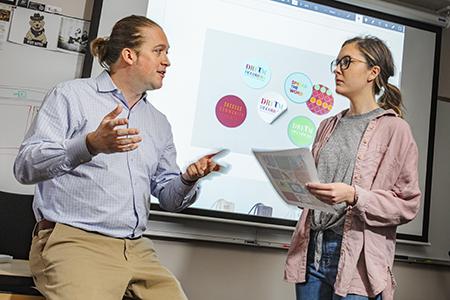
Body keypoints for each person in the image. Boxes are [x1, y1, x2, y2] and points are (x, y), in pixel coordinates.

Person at [14, 15, 220, 300]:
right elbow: (25, 167)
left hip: (136, 248)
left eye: (167, 53)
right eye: (159, 51)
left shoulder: (158, 122)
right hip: (75, 242)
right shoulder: (71, 96)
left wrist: (187, 179)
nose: (167, 61)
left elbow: (171, 199)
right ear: (129, 55)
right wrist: (89, 144)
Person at [284, 36, 421, 300]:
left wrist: (354, 196)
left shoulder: (395, 129)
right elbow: (317, 189)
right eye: (336, 62)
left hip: (356, 257)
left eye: (346, 62)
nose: (337, 69)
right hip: (312, 250)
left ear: (373, 72)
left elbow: (407, 205)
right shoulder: (328, 125)